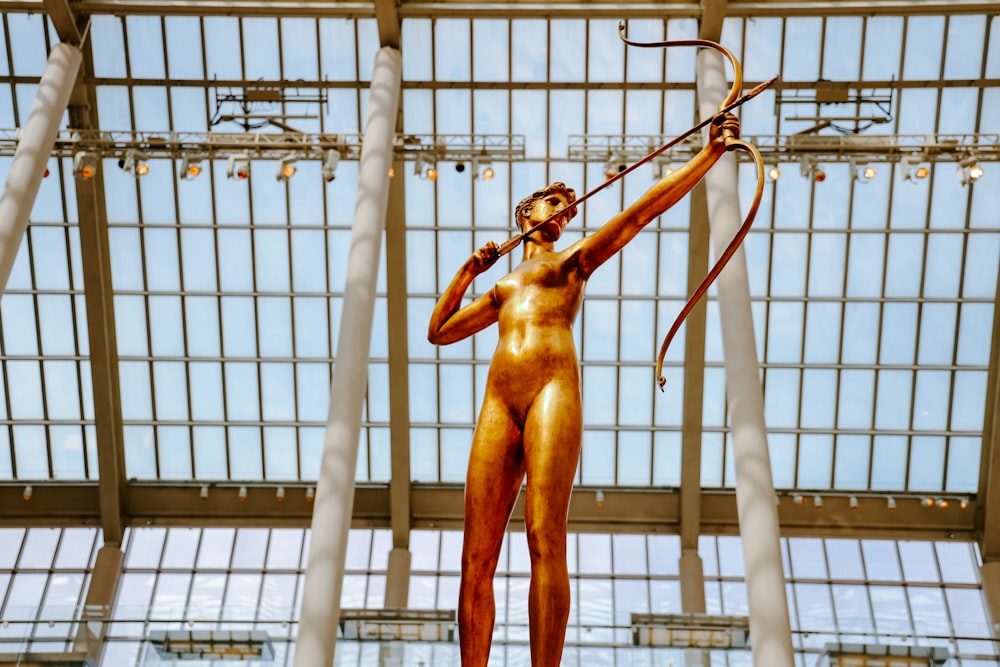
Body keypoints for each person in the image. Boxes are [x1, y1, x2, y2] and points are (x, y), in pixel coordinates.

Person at [427, 111, 740, 666]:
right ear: (525, 212)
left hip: (551, 389)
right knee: (476, 558)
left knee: (545, 536)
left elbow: (640, 212)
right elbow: (439, 331)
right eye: (553, 203)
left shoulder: (572, 262)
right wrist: (466, 272)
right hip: (499, 402)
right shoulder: (501, 286)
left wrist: (709, 154)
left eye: (568, 209)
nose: (564, 212)